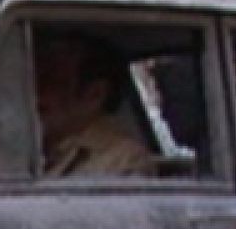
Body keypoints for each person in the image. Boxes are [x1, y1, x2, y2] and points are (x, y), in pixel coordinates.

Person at [32, 32, 154, 178]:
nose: (36, 94)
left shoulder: (124, 160)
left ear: (94, 95)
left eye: (51, 82)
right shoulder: (33, 149)